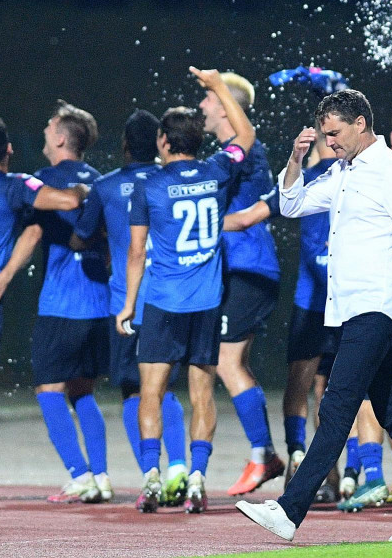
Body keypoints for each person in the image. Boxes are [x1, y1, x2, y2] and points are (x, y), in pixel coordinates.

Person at [236, 88, 392, 542]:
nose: (329, 141)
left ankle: (289, 509)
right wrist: (295, 163)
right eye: (323, 134)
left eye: (334, 133)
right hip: (352, 309)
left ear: (361, 123)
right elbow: (293, 204)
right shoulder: (343, 171)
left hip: (375, 307)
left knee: (336, 407)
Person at [116, 67, 256, 514]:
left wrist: (127, 305)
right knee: (202, 394)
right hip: (207, 304)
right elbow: (246, 134)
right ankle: (197, 477)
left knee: (150, 392)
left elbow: (136, 253)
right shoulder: (216, 170)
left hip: (163, 304)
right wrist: (218, 87)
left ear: (163, 141)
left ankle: (152, 477)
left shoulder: (149, 186)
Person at [0, 102, 111, 503]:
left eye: (49, 126)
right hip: (100, 303)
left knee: (47, 388)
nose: (44, 130)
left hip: (62, 303)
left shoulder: (44, 182)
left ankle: (79, 475)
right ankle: (102, 475)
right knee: (83, 391)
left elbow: (33, 235)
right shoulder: (101, 181)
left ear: (61, 138)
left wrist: (5, 277)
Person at [70, 109, 188, 506]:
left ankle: (150, 474)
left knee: (133, 392)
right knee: (165, 388)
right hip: (173, 300)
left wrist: (106, 236)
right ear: (159, 142)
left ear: (123, 145)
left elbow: (79, 238)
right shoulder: (170, 182)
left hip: (128, 304)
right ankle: (180, 468)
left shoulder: (106, 187)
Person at [223, 131, 339, 493]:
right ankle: (336, 471)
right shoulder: (351, 173)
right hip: (339, 299)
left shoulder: (317, 178)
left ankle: (309, 462)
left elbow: (246, 219)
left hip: (325, 301)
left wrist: (188, 224)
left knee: (309, 385)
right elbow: (247, 218)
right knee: (335, 389)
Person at [198, 72, 283, 495]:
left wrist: (199, 229)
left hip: (249, 269)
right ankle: (266, 453)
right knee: (226, 363)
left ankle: (262, 456)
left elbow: (248, 215)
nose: (201, 108)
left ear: (225, 105)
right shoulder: (229, 154)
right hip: (237, 270)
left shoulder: (248, 150)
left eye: (208, 100)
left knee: (227, 364)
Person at [0, 116, 88, 426]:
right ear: (9, 149)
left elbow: (32, 231)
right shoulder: (16, 185)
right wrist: (85, 187)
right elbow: (66, 202)